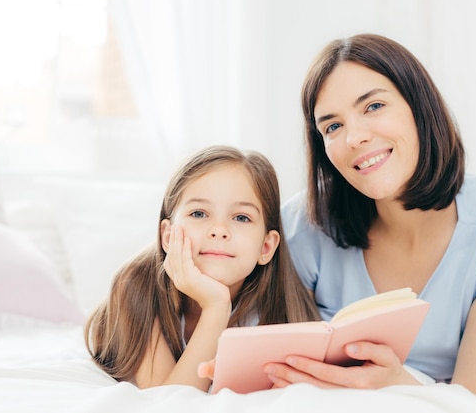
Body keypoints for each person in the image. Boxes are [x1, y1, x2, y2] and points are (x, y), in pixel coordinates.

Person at [264, 33, 476, 402]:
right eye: (333, 126)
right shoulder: (302, 225)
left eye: (373, 106)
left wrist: (399, 386)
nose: (354, 137)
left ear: (419, 107)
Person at [84, 145, 319, 391]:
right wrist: (216, 307)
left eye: (241, 217)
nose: (219, 230)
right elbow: (169, 402)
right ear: (167, 236)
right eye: (199, 213)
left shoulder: (280, 310)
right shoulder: (137, 285)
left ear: (266, 247)